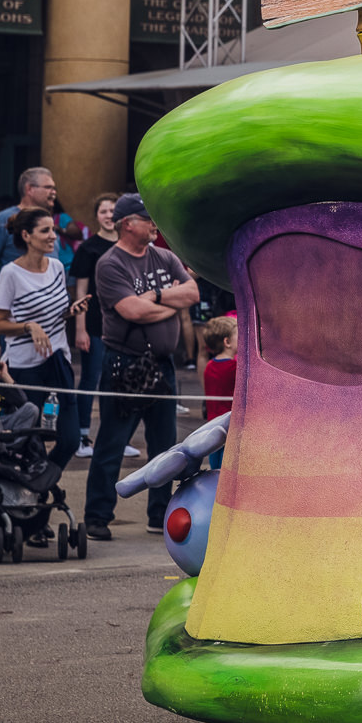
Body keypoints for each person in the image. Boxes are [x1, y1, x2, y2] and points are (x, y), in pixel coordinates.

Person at [83, 194, 198, 541]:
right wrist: (167, 303)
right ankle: (97, 516)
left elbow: (192, 293)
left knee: (165, 444)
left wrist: (157, 298)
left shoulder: (163, 256)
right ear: (127, 223)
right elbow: (131, 311)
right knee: (112, 442)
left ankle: (159, 514)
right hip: (125, 363)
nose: (154, 225)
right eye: (147, 219)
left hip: (162, 365)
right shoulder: (110, 263)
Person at [0, 208, 87, 494]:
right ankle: (35, 505)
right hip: (23, 365)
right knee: (31, 441)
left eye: (53, 230)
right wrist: (28, 326)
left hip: (58, 361)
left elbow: (56, 314)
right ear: (26, 236)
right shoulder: (11, 274)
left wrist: (72, 312)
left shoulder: (57, 266)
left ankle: (38, 486)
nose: (52, 236)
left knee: (69, 438)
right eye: (45, 231)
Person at [69, 192, 121, 458]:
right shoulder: (88, 248)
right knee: (90, 379)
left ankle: (114, 439)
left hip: (122, 328)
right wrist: (80, 329)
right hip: (94, 324)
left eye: (113, 210)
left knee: (116, 383)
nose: (109, 216)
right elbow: (80, 292)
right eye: (104, 211)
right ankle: (81, 435)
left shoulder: (127, 245)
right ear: (96, 216)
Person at [0, 166, 58, 300]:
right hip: (15, 314)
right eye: (48, 187)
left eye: (54, 188)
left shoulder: (48, 221)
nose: (53, 192)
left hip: (48, 308)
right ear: (30, 189)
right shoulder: (2, 221)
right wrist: (8, 294)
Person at [200, 316, 237, 423]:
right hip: (229, 423)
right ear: (227, 342)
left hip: (213, 421)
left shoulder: (210, 365)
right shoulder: (234, 368)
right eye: (239, 335)